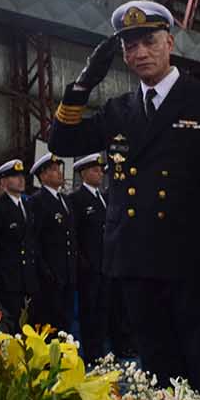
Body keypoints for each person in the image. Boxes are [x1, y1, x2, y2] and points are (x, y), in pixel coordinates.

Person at [48, 0, 200, 400]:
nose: (140, 54)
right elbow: (63, 142)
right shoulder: (118, 110)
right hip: (134, 261)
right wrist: (83, 82)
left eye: (149, 41)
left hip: (193, 262)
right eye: (130, 47)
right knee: (157, 372)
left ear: (169, 42)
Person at [69, 154, 110, 361]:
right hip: (88, 265)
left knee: (103, 309)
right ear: (84, 173)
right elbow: (75, 234)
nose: (100, 173)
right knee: (89, 310)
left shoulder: (102, 198)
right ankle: (92, 352)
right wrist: (82, 261)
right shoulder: (76, 200)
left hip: (105, 263)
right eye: (95, 170)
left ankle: (101, 350)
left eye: (101, 170)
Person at [29, 154, 77, 333]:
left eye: (59, 169)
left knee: (66, 319)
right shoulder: (38, 201)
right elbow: (36, 239)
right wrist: (45, 270)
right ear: (43, 176)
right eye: (54, 170)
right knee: (51, 320)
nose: (59, 174)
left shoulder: (65, 200)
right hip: (51, 273)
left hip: (68, 271)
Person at [0, 160, 35, 325]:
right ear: (3, 182)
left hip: (28, 276)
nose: (21, 180)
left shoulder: (28, 206)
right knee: (13, 321)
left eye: (22, 176)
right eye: (15, 176)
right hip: (9, 276)